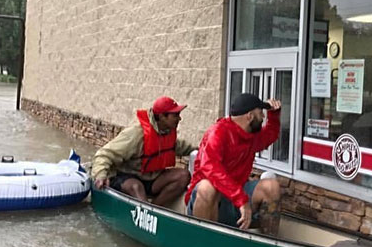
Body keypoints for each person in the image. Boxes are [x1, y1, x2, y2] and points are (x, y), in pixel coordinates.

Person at [184, 93, 282, 231]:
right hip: (209, 204)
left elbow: (270, 135)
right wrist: (241, 199)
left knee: (271, 187)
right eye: (261, 113)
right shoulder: (218, 132)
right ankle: (202, 240)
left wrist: (274, 115)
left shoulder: (251, 136)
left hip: (234, 200)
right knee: (208, 187)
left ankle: (269, 244)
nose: (263, 117)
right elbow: (211, 168)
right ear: (250, 116)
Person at [91, 96, 193, 207]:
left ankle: (154, 209)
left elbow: (185, 148)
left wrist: (204, 150)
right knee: (136, 187)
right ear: (162, 116)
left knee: (183, 175)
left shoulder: (166, 132)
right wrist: (100, 175)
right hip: (125, 177)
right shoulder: (136, 134)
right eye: (176, 115)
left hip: (150, 178)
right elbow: (104, 154)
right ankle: (145, 212)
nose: (179, 119)